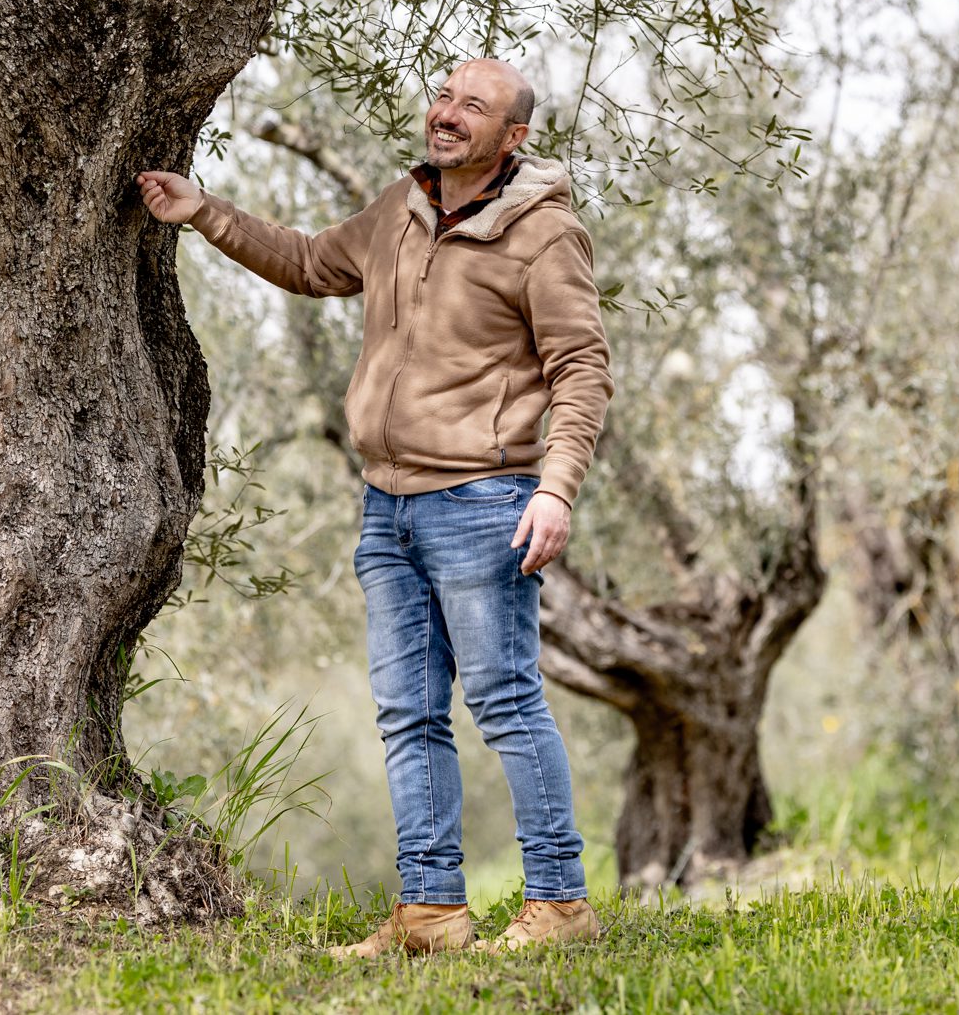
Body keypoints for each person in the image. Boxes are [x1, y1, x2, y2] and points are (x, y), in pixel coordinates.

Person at [135, 58, 613, 956]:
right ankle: (431, 909)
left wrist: (556, 488)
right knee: (407, 710)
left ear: (514, 137)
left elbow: (582, 368)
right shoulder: (402, 207)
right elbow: (314, 262)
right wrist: (203, 211)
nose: (448, 113)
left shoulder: (547, 236)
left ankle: (560, 900)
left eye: (475, 106)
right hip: (387, 508)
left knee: (506, 701)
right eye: (445, 96)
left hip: (483, 498)